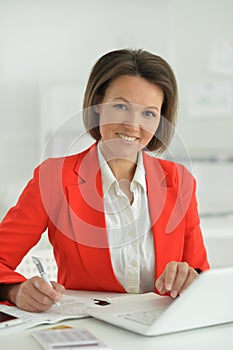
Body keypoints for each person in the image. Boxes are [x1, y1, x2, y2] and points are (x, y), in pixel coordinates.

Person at [0, 49, 209, 312]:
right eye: (121, 106)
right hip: (89, 330)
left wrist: (189, 279)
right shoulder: (53, 179)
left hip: (160, 332)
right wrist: (15, 290)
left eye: (149, 113)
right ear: (97, 106)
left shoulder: (181, 182)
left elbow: (200, 274)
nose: (134, 125)